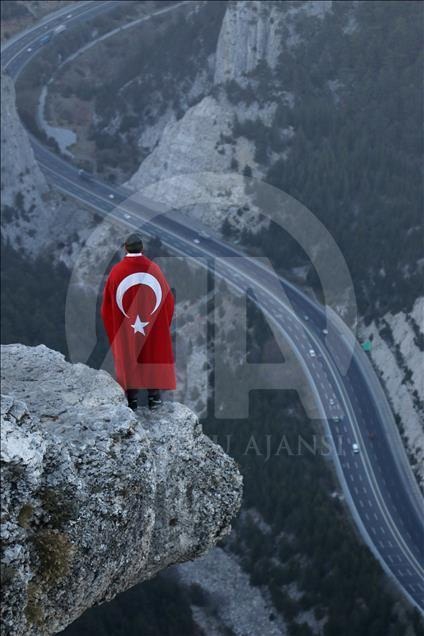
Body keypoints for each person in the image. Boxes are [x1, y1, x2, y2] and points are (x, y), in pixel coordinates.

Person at [101, 233, 176, 410]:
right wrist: (161, 324)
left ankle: (131, 399)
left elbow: (107, 307)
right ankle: (154, 397)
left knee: (128, 355)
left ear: (125, 248)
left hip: (126, 326)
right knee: (152, 354)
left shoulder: (117, 271)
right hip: (151, 324)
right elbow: (168, 300)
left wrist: (114, 326)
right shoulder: (154, 269)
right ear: (142, 248)